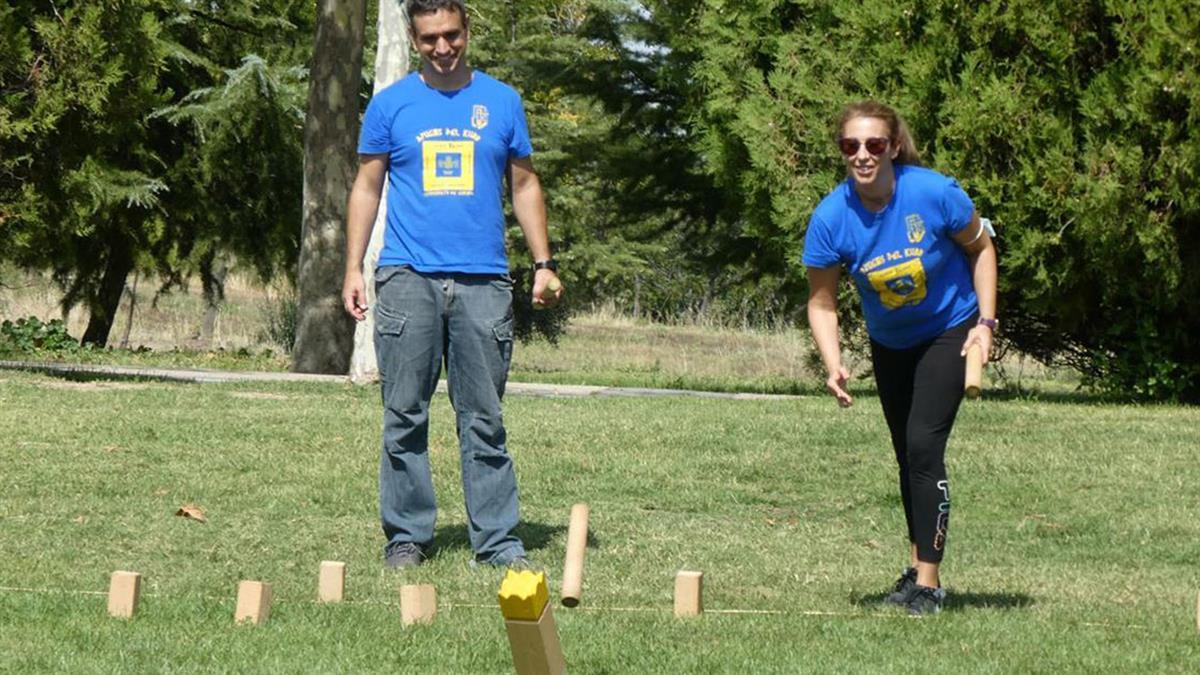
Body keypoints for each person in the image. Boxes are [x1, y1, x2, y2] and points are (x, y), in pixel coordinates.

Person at [341, 0, 562, 570]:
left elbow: (524, 185)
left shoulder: (502, 101)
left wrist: (543, 262)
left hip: (484, 281)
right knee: (403, 415)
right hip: (406, 277)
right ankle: (407, 537)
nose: (442, 48)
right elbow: (366, 187)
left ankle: (498, 541)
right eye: (429, 39)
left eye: (451, 35)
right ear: (415, 40)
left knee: (484, 417)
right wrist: (353, 267)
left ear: (467, 30)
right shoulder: (391, 105)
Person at [802, 101, 997, 615]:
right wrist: (833, 362)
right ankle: (916, 568)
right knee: (907, 455)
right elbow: (821, 303)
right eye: (851, 145)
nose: (862, 155)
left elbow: (981, 248)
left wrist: (985, 323)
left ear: (892, 147)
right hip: (890, 343)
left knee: (924, 447)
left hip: (950, 328)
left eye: (874, 144)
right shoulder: (830, 218)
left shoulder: (933, 193)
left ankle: (929, 585)